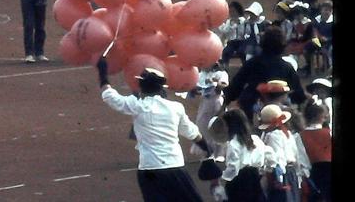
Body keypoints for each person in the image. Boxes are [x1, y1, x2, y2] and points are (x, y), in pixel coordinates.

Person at [94, 58, 210, 202]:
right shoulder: (176, 108)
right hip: (175, 167)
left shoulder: (136, 106)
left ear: (141, 87)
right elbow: (193, 133)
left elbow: (109, 96)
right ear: (161, 88)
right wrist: (206, 149)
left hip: (149, 169)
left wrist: (103, 72)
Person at [227, 27, 305, 122]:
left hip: (251, 108)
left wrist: (227, 98)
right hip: (278, 112)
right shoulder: (286, 67)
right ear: (282, 46)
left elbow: (235, 87)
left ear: (262, 44)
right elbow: (299, 95)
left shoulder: (251, 63)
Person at [216, 109, 271, 202]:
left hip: (239, 180)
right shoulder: (255, 139)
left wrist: (224, 177)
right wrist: (265, 169)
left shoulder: (233, 144)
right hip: (255, 176)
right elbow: (268, 153)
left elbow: (233, 167)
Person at [259, 105, 308, 202]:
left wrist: (278, 179)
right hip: (292, 172)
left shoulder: (273, 136)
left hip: (280, 174)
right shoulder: (288, 133)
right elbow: (296, 154)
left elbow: (278, 158)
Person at [300, 102, 330, 201]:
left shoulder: (299, 136)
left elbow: (302, 159)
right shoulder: (329, 133)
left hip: (313, 173)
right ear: (323, 117)